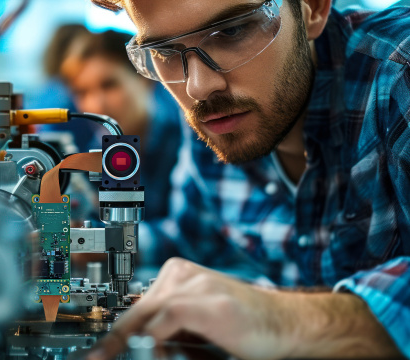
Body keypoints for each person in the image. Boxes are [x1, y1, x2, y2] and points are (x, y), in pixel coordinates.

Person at [81, 0, 410, 359]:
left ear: (312, 9)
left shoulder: (399, 69)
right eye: (163, 50)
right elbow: (190, 238)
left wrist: (280, 319)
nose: (198, 87)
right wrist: (84, 244)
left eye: (232, 31)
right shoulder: (219, 116)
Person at [57, 29, 183, 221]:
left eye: (109, 85)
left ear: (145, 78)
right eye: (82, 93)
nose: (96, 105)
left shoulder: (188, 140)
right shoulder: (92, 154)